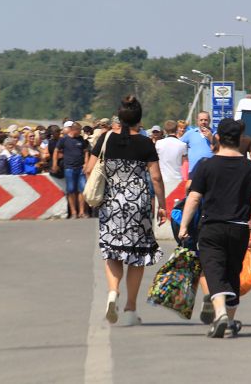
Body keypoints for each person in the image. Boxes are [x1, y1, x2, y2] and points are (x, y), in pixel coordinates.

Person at [178, 118, 251, 338]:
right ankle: (231, 319)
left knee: (214, 270)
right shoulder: (250, 167)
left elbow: (194, 197)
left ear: (217, 138)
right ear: (239, 140)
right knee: (232, 272)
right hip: (239, 229)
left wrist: (183, 225)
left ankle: (221, 315)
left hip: (211, 227)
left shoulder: (206, 165)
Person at [85, 95, 167, 327]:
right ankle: (131, 308)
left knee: (112, 250)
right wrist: (162, 204)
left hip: (111, 203)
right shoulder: (145, 143)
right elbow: (156, 177)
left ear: (119, 117)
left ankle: (113, 292)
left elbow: (89, 169)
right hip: (139, 203)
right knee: (137, 255)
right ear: (139, 119)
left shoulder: (105, 139)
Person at [53, 122, 89, 218]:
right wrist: (55, 164)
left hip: (81, 168)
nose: (80, 133)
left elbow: (86, 152)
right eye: (79, 130)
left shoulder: (81, 139)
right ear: (74, 130)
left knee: (82, 189)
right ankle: (73, 212)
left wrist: (86, 163)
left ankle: (81, 212)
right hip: (69, 168)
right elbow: (56, 151)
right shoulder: (64, 139)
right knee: (71, 190)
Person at [181, 112, 214, 179]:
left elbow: (221, 149)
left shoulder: (215, 134)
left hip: (211, 171)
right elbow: (178, 145)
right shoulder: (190, 133)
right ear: (197, 121)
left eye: (206, 120)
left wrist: (211, 138)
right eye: (201, 120)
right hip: (194, 170)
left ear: (209, 121)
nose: (203, 122)